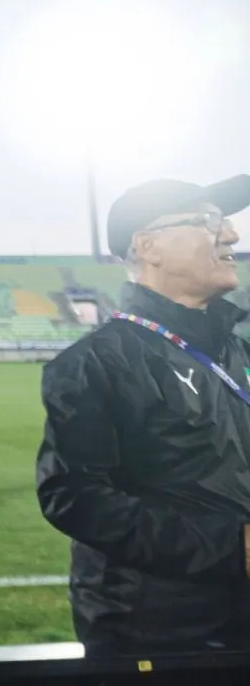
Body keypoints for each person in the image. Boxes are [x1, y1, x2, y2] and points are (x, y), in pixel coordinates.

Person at [36, 175, 250, 656]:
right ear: (148, 246)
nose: (232, 235)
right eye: (209, 221)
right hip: (160, 635)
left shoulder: (238, 353)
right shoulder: (96, 363)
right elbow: (74, 498)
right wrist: (234, 548)